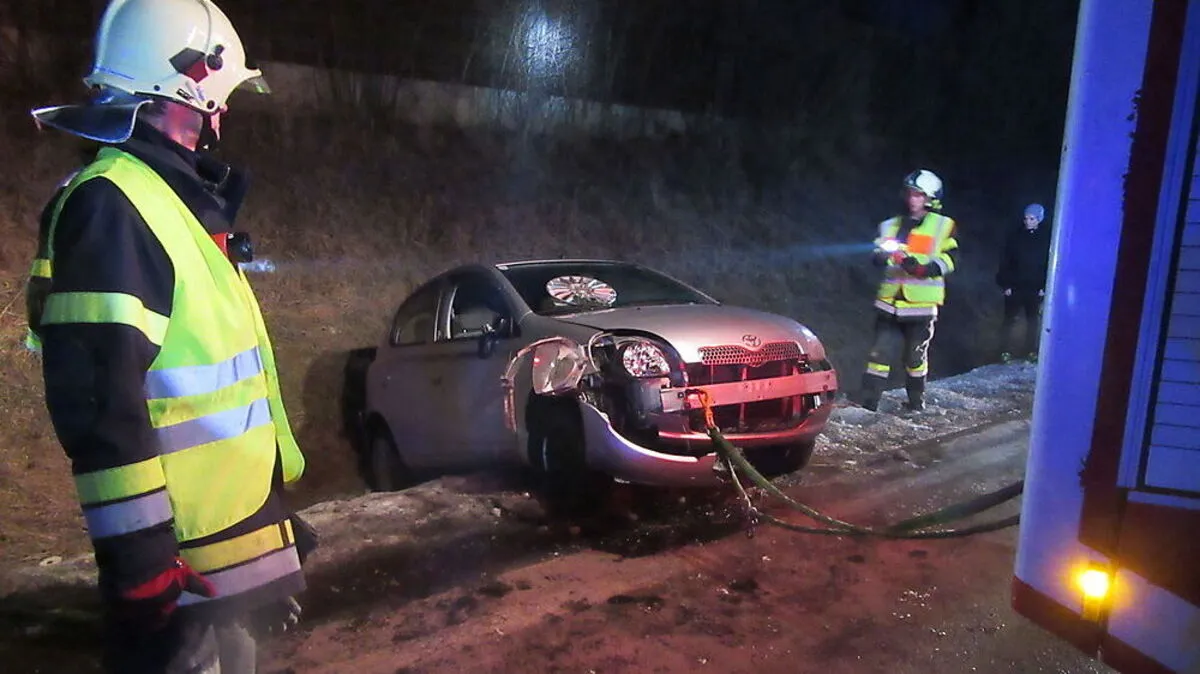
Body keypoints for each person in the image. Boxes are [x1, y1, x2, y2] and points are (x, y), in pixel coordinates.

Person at [24, 0, 315, 671]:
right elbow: (101, 407)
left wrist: (267, 528)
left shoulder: (166, 200)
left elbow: (209, 403)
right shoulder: (113, 205)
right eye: (224, 92)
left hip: (215, 561)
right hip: (175, 581)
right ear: (190, 82)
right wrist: (143, 569)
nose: (226, 113)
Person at [858, 169, 961, 413]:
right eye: (910, 194)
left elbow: (951, 259)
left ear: (930, 198)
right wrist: (882, 256)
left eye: (918, 194)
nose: (912, 199)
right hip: (889, 303)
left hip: (921, 307)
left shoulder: (943, 226)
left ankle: (916, 403)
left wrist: (925, 268)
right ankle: (869, 404)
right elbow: (875, 254)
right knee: (878, 356)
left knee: (914, 359)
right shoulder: (890, 225)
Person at [996, 202, 1052, 362]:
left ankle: (1030, 351)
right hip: (1015, 286)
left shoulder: (1046, 239)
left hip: (1034, 287)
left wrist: (1044, 286)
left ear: (1039, 219)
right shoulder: (1015, 236)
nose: (1028, 221)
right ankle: (1004, 351)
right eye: (1026, 218)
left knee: (1033, 320)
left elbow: (1048, 264)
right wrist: (1005, 284)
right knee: (1009, 320)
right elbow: (1006, 261)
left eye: (1032, 218)